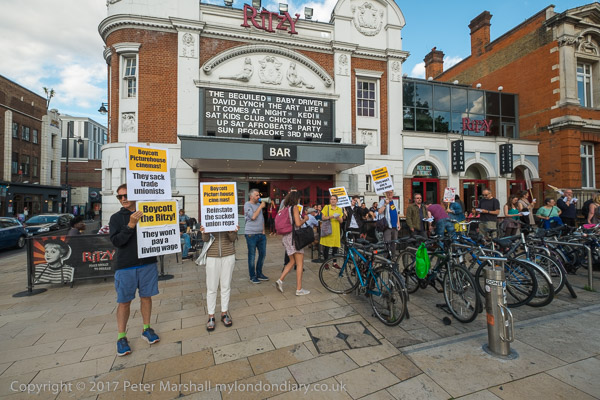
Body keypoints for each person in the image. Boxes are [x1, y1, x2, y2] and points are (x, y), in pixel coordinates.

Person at [109, 183, 160, 357]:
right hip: (126, 266)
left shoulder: (147, 212)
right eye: (120, 196)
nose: (123, 199)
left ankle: (147, 328)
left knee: (146, 297)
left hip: (147, 263)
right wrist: (131, 224)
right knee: (124, 301)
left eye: (126, 195)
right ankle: (121, 337)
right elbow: (117, 241)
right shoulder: (116, 218)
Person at [200, 224, 239, 331]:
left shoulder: (230, 217)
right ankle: (211, 316)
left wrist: (231, 231)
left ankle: (224, 313)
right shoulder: (207, 216)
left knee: (226, 286)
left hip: (228, 254)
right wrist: (204, 232)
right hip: (212, 255)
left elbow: (233, 238)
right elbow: (205, 239)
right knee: (211, 288)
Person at [275, 190, 310, 296]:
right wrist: (305, 219)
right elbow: (298, 224)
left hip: (286, 238)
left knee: (292, 261)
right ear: (296, 199)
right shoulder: (294, 208)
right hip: (294, 238)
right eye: (299, 199)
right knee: (300, 263)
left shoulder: (284, 208)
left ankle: (280, 280)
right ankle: (299, 289)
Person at [244, 189, 268, 284]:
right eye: (257, 195)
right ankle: (252, 276)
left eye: (259, 195)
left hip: (260, 234)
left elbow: (261, 219)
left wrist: (263, 231)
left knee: (262, 254)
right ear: (251, 196)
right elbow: (253, 217)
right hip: (251, 234)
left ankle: (259, 273)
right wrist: (261, 207)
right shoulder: (247, 205)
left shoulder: (258, 205)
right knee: (252, 256)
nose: (259, 197)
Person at [320, 195, 344, 260]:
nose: (333, 201)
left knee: (335, 247)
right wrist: (330, 217)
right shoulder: (326, 207)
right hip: (328, 230)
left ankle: (334, 262)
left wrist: (338, 218)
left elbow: (341, 221)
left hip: (336, 230)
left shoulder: (339, 209)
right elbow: (322, 218)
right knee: (326, 247)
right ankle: (325, 262)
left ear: (337, 201)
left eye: (334, 199)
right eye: (331, 199)